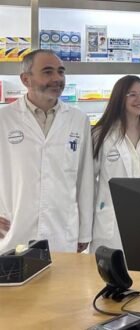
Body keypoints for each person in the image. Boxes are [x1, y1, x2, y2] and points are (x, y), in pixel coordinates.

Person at [0, 49, 93, 254]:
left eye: (61, 71)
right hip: (13, 231)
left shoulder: (78, 119)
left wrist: (85, 231)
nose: (57, 78)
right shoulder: (4, 118)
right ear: (26, 79)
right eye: (48, 72)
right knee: (15, 273)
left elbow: (85, 179)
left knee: (62, 275)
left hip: (62, 231)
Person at [91, 75, 140, 251]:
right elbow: (89, 180)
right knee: (113, 266)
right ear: (119, 98)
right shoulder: (101, 135)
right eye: (132, 94)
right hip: (112, 220)